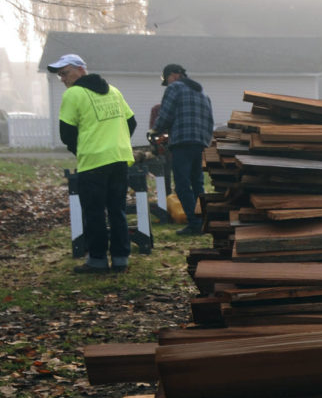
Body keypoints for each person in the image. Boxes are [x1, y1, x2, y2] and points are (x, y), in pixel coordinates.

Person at [49, 54, 137, 274]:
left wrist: (81, 149)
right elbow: (131, 121)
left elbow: (66, 132)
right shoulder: (114, 91)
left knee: (94, 212)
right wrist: (117, 142)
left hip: (93, 161)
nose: (62, 79)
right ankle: (120, 259)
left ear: (81, 70)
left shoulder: (74, 94)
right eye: (60, 75)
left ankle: (97, 260)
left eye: (65, 73)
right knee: (117, 210)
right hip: (118, 158)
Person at [152, 64, 214, 236]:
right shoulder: (202, 93)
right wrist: (205, 141)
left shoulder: (175, 88)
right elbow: (210, 121)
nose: (168, 83)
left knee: (181, 185)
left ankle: (194, 224)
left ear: (173, 75)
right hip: (200, 142)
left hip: (181, 142)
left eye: (167, 80)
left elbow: (165, 115)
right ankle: (203, 222)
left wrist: (155, 130)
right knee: (197, 184)